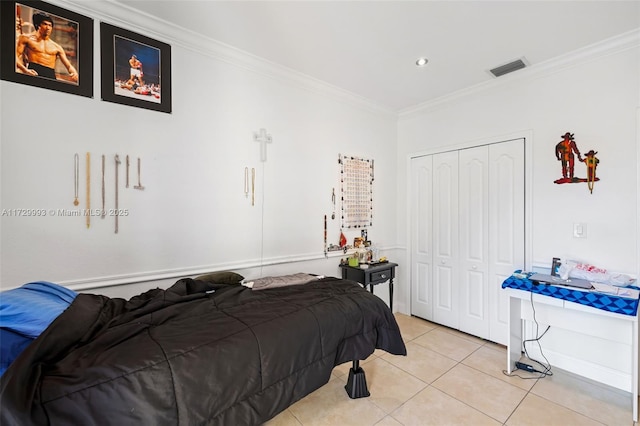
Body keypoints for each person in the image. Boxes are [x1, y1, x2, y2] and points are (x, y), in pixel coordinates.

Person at [15, 12, 78, 82]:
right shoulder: (26, 38)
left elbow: (69, 66)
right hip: (33, 72)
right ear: (38, 25)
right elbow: (15, 57)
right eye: (45, 24)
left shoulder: (57, 47)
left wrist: (74, 73)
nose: (48, 28)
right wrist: (25, 70)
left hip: (50, 76)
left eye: (50, 25)